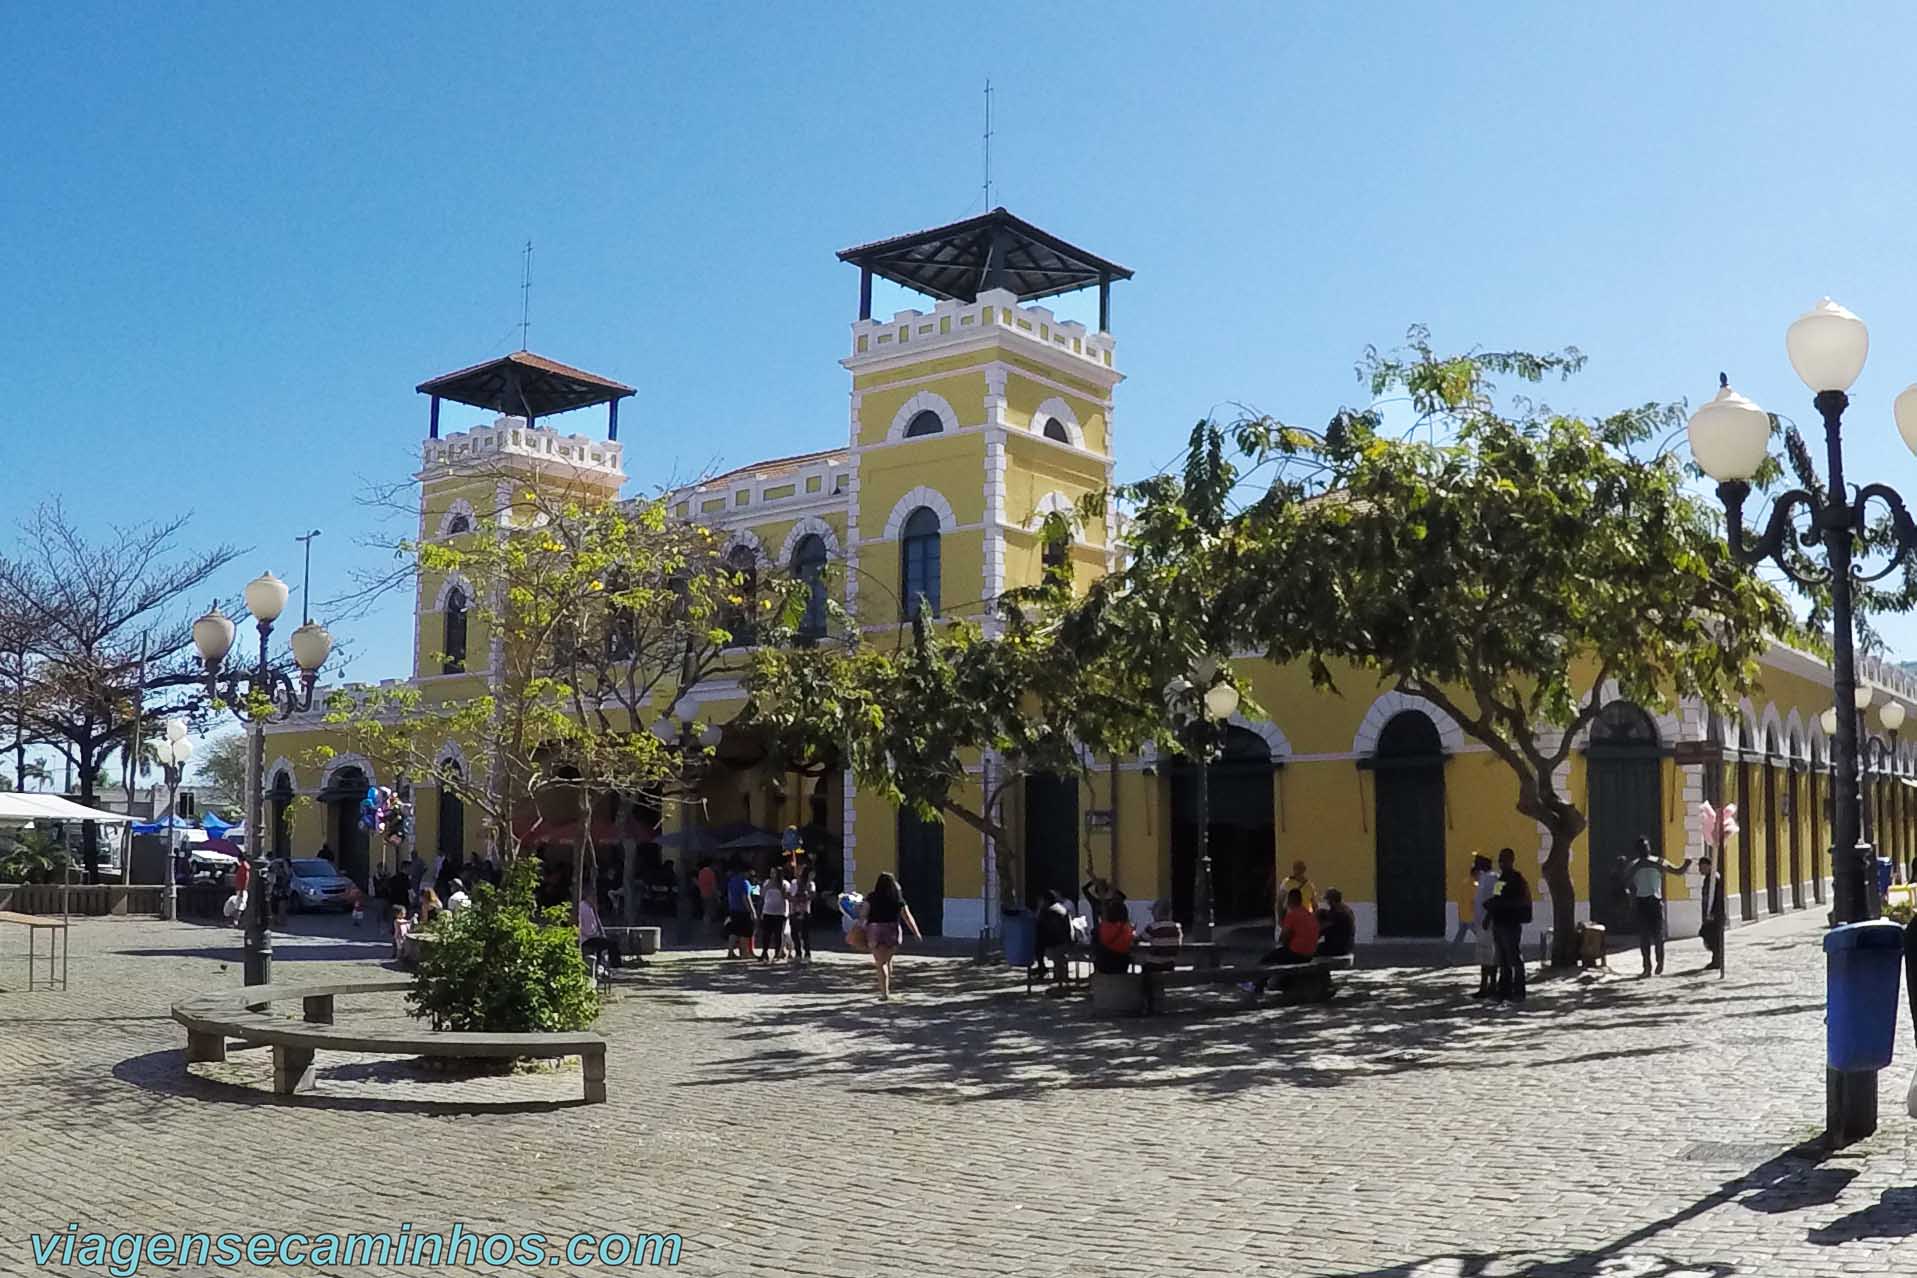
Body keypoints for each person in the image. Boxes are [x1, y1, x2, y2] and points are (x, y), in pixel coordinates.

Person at [1622, 835, 1691, 977]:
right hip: (1641, 902)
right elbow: (1625, 882)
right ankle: (1646, 967)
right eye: (1642, 848)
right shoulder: (1634, 865)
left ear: (1649, 848)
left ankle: (1660, 962)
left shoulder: (1658, 861)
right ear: (1638, 850)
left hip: (1655, 901)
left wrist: (1686, 864)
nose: (1644, 849)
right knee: (1644, 937)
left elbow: (1677, 871)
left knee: (1658, 935)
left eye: (1646, 846)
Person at [859, 872, 922, 1000]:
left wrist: (861, 926)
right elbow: (908, 917)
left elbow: (863, 915)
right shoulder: (898, 899)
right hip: (893, 931)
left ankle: (884, 993)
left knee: (880, 963)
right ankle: (886, 986)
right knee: (887, 960)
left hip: (875, 931)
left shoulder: (871, 897)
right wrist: (916, 932)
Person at [1485, 846, 1531, 1004]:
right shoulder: (1501, 879)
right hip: (1499, 923)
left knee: (1514, 957)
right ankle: (1504, 991)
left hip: (1511, 923)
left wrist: (1502, 904)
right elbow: (1496, 898)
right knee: (1502, 959)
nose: (1501, 863)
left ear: (1511, 860)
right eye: (1500, 860)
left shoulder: (1517, 879)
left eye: (1503, 860)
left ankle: (1519, 991)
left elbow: (1519, 901)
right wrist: (1489, 915)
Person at [1261, 888, 1319, 967]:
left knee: (1267, 960)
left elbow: (1283, 938)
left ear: (1290, 900)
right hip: (1309, 955)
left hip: (1296, 954)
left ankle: (1259, 977)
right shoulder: (1309, 914)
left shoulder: (1292, 915)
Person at [1468, 855, 1499, 997]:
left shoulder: (1492, 879)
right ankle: (1485, 986)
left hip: (1489, 923)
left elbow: (1496, 899)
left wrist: (1488, 917)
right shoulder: (1486, 879)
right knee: (1485, 956)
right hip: (1483, 923)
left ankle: (1490, 986)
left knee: (1489, 956)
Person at [1034, 889, 1075, 985]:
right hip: (1065, 940)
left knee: (1037, 945)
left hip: (1055, 941)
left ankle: (1042, 969)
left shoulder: (1047, 910)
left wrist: (1039, 909)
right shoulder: (1061, 908)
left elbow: (1040, 926)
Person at [1696, 853, 1727, 973]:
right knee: (1710, 935)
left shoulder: (1714, 879)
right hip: (1710, 913)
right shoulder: (1709, 878)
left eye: (1701, 867)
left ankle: (1717, 960)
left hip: (1715, 914)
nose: (1700, 870)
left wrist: (1713, 912)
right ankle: (1716, 959)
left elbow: (1717, 897)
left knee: (1712, 936)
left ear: (1708, 866)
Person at [578, 892, 623, 971]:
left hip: (591, 936)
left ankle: (600, 964)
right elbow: (587, 928)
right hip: (587, 938)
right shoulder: (584, 908)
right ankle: (616, 965)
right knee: (612, 944)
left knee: (607, 942)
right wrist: (595, 934)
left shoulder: (589, 907)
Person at [1136, 898, 1182, 973]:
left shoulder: (1153, 927)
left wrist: (1135, 937)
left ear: (1156, 913)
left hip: (1153, 965)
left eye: (1153, 912)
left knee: (1143, 967)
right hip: (1170, 964)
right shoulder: (1175, 927)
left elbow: (1141, 938)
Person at [724, 862, 758, 959]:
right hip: (743, 911)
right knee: (744, 932)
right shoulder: (745, 882)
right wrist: (752, 911)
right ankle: (744, 953)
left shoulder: (732, 881)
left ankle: (730, 952)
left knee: (734, 932)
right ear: (746, 872)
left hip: (733, 909)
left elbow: (730, 895)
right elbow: (746, 898)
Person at [1092, 899, 1136, 974]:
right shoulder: (1128, 927)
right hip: (1122, 963)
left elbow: (1095, 938)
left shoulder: (1103, 926)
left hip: (1105, 962)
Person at [758, 864, 790, 964]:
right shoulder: (767, 882)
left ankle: (778, 952)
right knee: (766, 933)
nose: (772, 874)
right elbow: (762, 895)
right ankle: (765, 952)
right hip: (768, 911)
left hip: (780, 912)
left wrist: (780, 887)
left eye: (774, 873)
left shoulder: (784, 883)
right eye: (771, 873)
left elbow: (786, 897)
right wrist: (768, 886)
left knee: (778, 934)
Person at [788, 854, 817, 963]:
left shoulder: (810, 884)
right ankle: (798, 953)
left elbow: (812, 895)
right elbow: (789, 895)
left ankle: (807, 953)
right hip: (793, 911)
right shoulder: (793, 883)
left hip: (805, 911)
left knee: (805, 934)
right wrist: (792, 899)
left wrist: (804, 895)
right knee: (794, 933)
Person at [1316, 888, 1355, 958]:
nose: (1327, 902)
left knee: (1308, 951)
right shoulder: (1345, 908)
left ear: (1332, 901)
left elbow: (1322, 929)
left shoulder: (1337, 912)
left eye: (1327, 900)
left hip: (1338, 948)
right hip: (1347, 946)